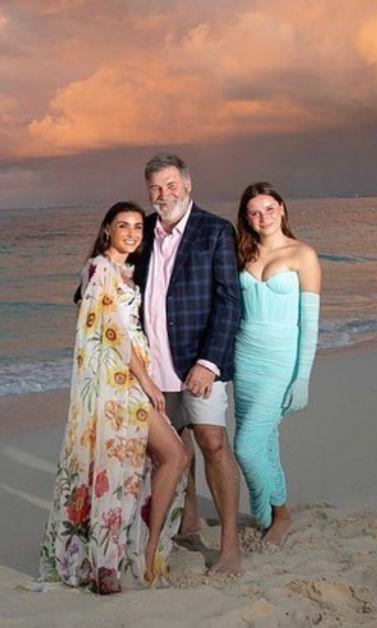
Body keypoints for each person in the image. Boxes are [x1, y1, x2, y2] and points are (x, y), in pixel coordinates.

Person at [39, 201, 191, 594]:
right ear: (107, 229)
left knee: (143, 463)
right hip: (119, 385)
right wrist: (148, 383)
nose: (131, 233)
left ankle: (135, 549)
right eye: (122, 225)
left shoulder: (124, 271)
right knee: (173, 455)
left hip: (131, 379)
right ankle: (137, 551)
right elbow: (112, 335)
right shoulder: (100, 268)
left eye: (138, 227)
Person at [132, 154, 244, 575]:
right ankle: (189, 518)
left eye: (171, 185)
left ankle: (230, 545)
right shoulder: (140, 231)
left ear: (188, 184)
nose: (164, 195)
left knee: (212, 444)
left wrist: (209, 362)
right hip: (152, 367)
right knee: (173, 448)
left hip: (199, 365)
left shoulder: (215, 231)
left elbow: (230, 302)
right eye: (156, 188)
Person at [232, 182, 321, 546]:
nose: (262, 217)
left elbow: (310, 324)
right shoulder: (242, 252)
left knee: (245, 446)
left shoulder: (303, 254)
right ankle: (270, 515)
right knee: (265, 441)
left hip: (280, 363)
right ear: (247, 218)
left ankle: (275, 512)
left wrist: (302, 378)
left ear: (282, 208)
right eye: (254, 212)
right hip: (243, 357)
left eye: (269, 209)